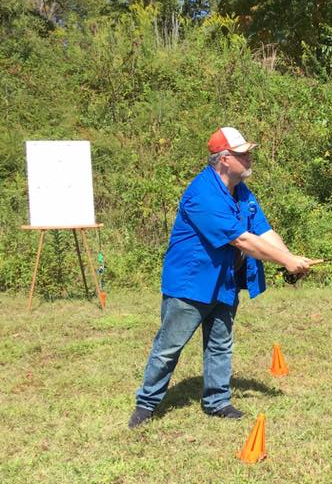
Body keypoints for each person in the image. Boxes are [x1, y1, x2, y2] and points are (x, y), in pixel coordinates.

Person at [129, 127, 312, 428]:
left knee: (220, 344)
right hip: (191, 284)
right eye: (243, 153)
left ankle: (217, 402)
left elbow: (264, 232)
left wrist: (291, 258)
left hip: (225, 281)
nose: (249, 157)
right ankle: (146, 404)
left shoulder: (242, 192)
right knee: (169, 347)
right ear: (225, 159)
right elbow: (241, 240)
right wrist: (287, 261)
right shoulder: (202, 194)